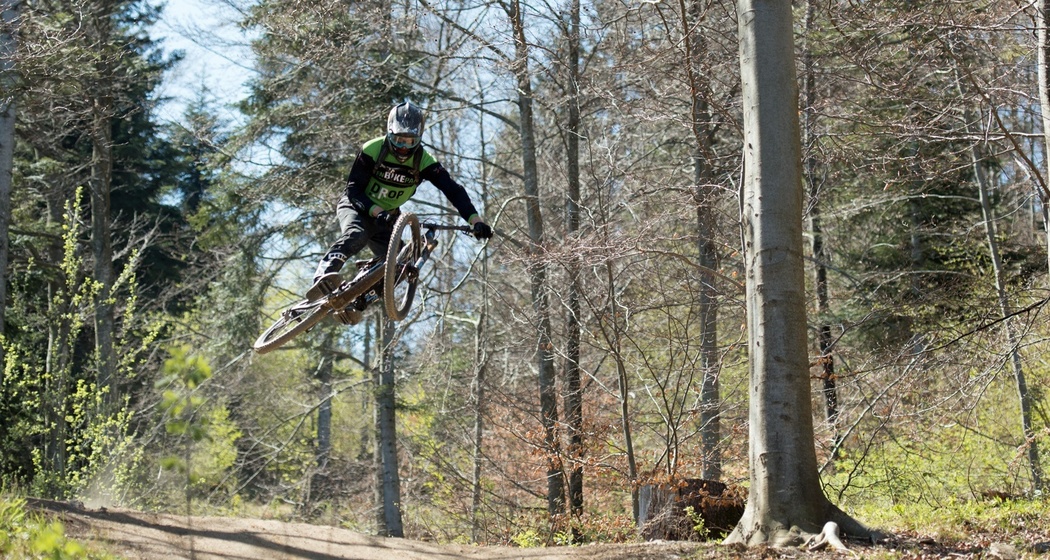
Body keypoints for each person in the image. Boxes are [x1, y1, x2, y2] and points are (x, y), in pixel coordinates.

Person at [307, 101, 492, 301]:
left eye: (411, 142)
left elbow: (454, 191)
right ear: (389, 133)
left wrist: (475, 221)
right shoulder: (372, 149)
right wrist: (376, 212)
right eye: (399, 140)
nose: (404, 148)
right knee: (357, 234)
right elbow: (353, 190)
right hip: (357, 207)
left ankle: (361, 299)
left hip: (387, 217)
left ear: (419, 139)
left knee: (400, 266)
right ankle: (324, 274)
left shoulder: (424, 161)